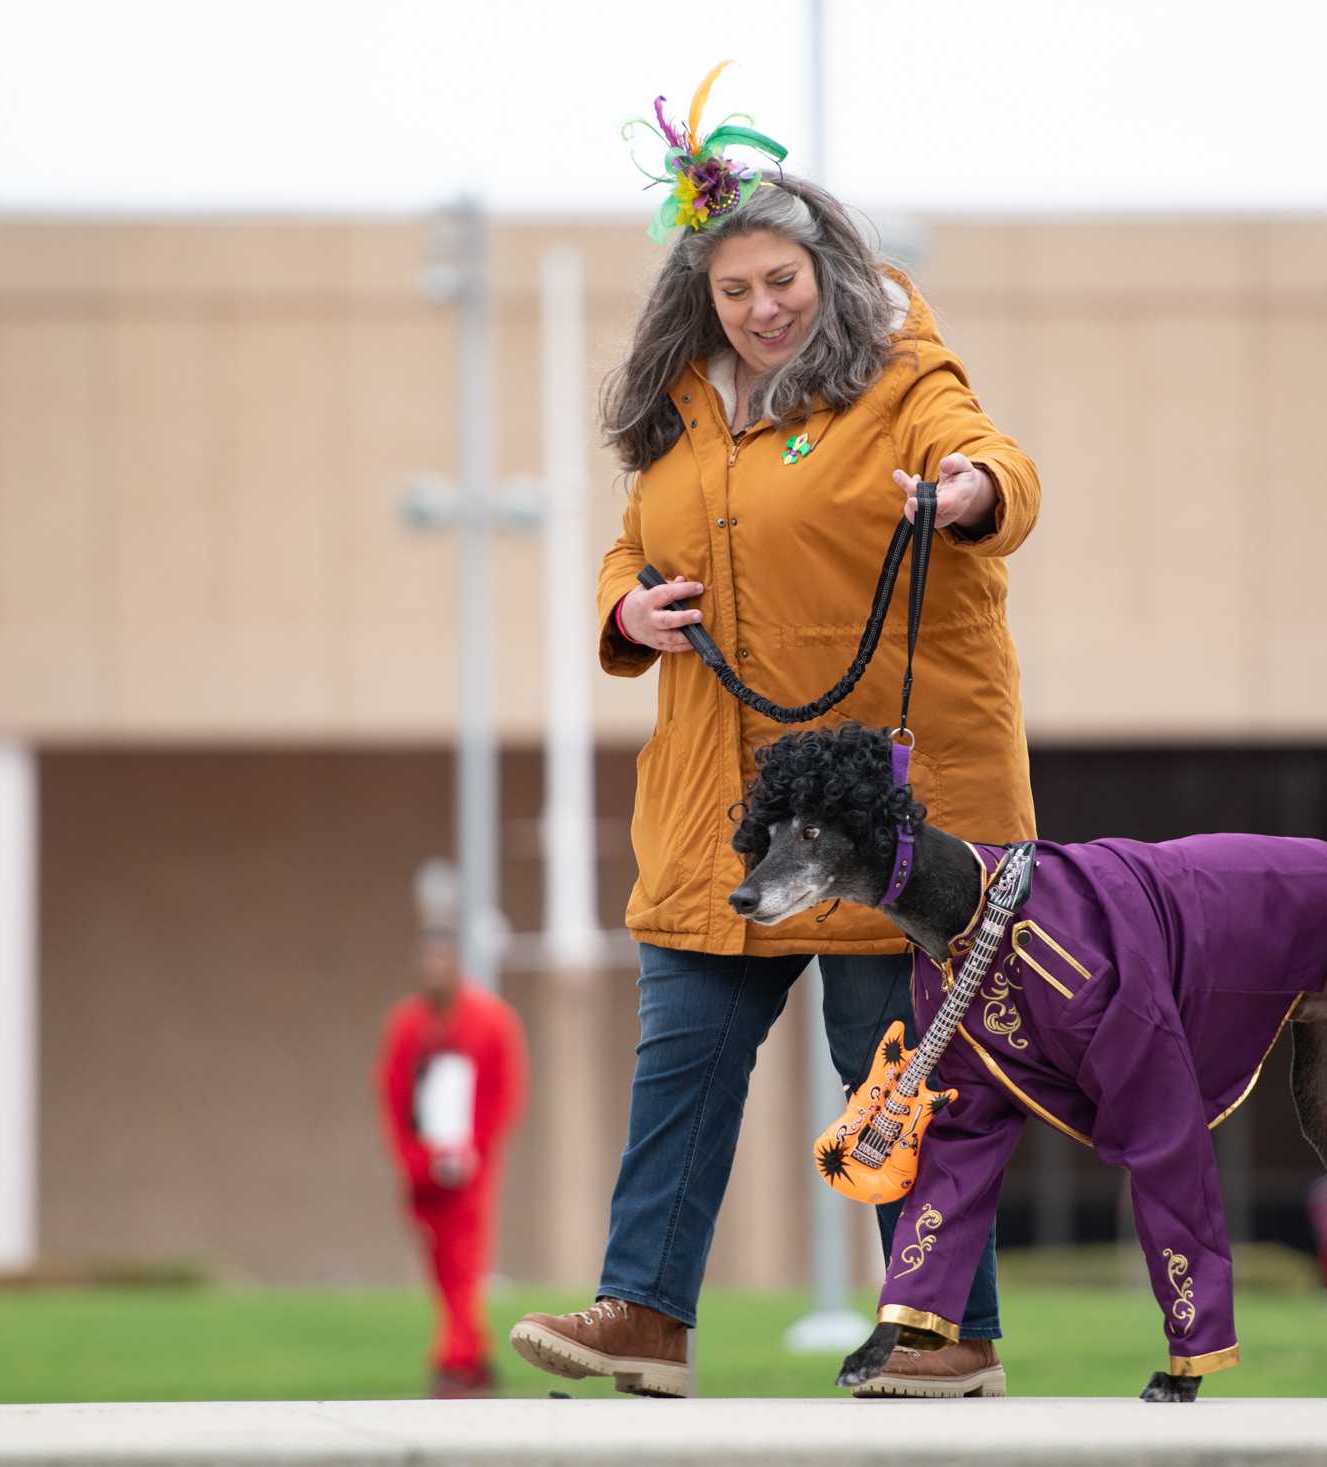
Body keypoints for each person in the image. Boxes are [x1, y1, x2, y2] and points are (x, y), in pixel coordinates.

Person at [509, 63, 1040, 1399]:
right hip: (718, 804)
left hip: (878, 809)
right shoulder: (679, 413)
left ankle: (942, 1327)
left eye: (781, 284)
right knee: (681, 1056)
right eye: (735, 290)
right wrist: (629, 603)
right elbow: (632, 547)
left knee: (893, 1072)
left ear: (825, 272)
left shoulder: (904, 372)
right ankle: (647, 1313)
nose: (761, 310)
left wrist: (967, 491)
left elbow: (998, 462)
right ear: (702, 294)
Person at [377, 927, 529, 1397]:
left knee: (465, 1258)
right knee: (439, 1259)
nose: (434, 971)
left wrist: (476, 1151)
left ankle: (456, 1357)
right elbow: (394, 1094)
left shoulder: (490, 1021)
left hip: (471, 1165)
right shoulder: (408, 1025)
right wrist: (414, 1157)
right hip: (424, 1166)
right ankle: (472, 1351)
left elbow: (505, 1092)